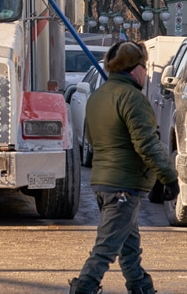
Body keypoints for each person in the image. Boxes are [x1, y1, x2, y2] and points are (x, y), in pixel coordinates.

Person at [69, 41, 180, 294]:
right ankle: (83, 289)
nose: (146, 72)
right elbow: (147, 144)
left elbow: (91, 138)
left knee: (129, 249)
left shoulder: (98, 97)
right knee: (106, 249)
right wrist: (169, 178)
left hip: (103, 182)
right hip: (124, 185)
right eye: (145, 66)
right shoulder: (132, 98)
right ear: (134, 68)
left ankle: (141, 288)